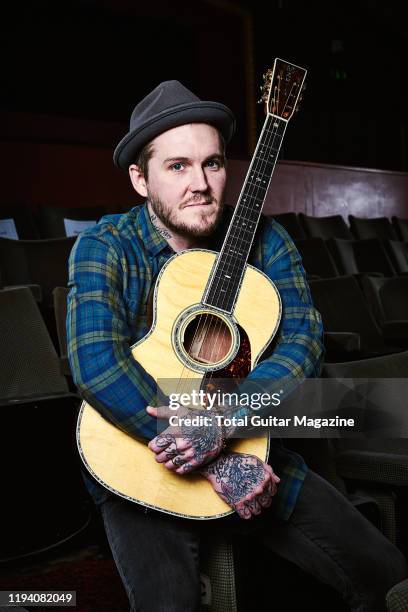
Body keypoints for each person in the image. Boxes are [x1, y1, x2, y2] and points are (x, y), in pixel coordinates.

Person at [67, 80, 408, 611]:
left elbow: (304, 344)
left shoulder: (267, 239)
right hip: (137, 455)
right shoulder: (106, 245)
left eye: (214, 163)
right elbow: (96, 366)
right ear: (140, 178)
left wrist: (226, 420)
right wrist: (213, 461)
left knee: (387, 580)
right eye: (177, 166)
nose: (200, 183)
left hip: (248, 438)